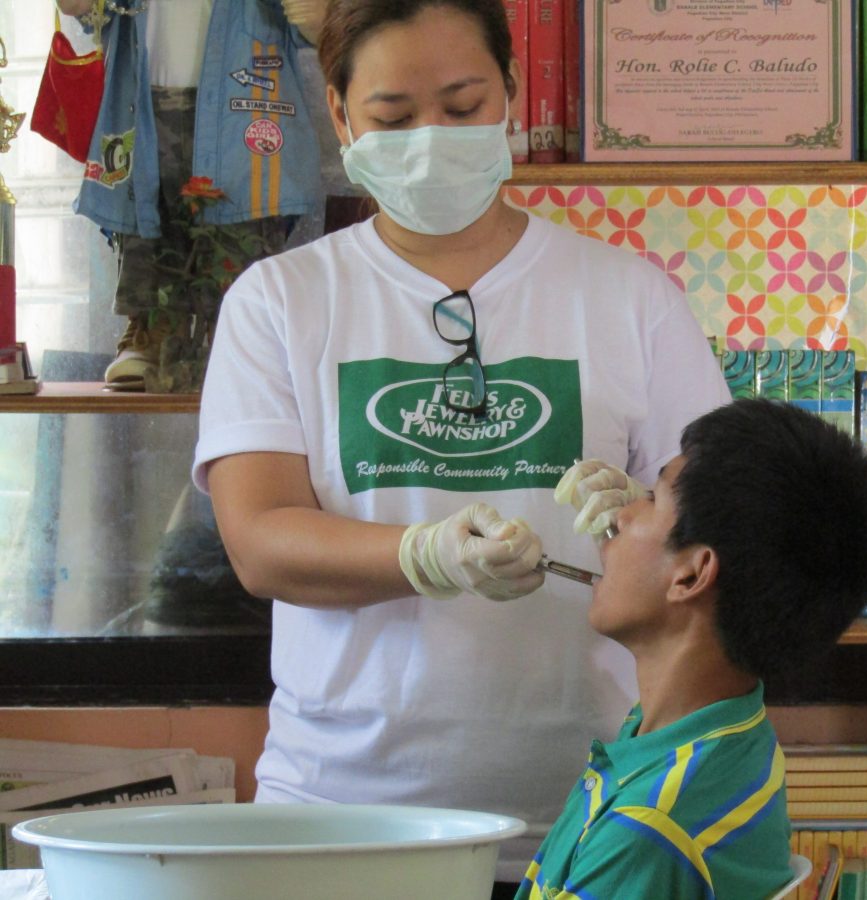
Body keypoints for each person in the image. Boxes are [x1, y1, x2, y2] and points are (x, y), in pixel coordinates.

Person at [190, 0, 731, 890]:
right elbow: (259, 541)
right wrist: (425, 554)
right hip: (341, 826)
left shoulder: (630, 297)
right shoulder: (281, 300)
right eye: (394, 117)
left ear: (510, 91)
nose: (431, 140)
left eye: (463, 104)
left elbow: (719, 535)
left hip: (595, 823)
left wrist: (645, 518)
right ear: (340, 116)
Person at [520, 400, 867, 899]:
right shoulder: (723, 733)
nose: (620, 515)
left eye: (651, 498)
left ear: (692, 574)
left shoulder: (645, 833)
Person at [53, 0, 323, 390]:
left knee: (239, 220)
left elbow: (318, 24)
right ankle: (153, 329)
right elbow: (87, 10)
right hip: (144, 104)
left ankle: (237, 337)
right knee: (148, 211)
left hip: (244, 111)